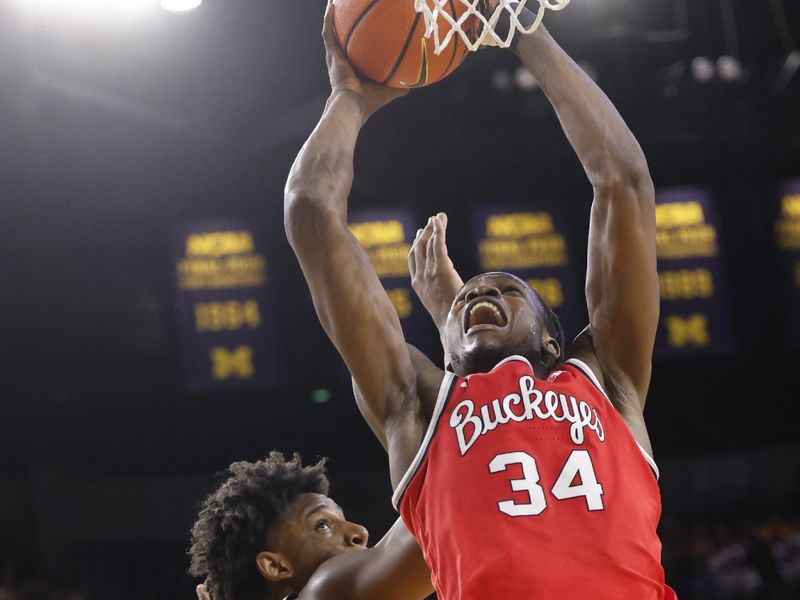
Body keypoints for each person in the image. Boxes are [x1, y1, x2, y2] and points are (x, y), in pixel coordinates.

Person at [286, 0, 677, 597]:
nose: (483, 289)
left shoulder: (607, 378)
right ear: (446, 342)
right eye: (470, 293)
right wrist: (351, 99)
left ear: (554, 339)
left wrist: (527, 31)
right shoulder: (417, 409)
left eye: (505, 290)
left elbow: (622, 182)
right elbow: (311, 214)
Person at [188, 451, 432, 600]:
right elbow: (435, 520)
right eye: (323, 525)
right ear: (274, 565)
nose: (359, 532)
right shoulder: (327, 590)